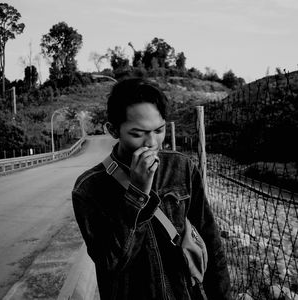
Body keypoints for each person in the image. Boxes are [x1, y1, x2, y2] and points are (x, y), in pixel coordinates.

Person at [72, 77, 232, 300]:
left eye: (159, 130)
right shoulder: (89, 188)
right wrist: (137, 194)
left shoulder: (181, 167)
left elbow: (211, 241)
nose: (152, 143)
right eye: (138, 134)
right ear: (113, 130)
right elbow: (111, 264)